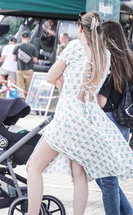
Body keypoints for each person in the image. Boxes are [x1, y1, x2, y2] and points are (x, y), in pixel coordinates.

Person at [26, 11, 133, 215]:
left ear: (80, 29)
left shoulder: (74, 47)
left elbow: (50, 77)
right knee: (79, 175)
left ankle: (31, 213)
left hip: (66, 118)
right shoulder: (106, 55)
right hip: (87, 121)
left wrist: (62, 84)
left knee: (34, 167)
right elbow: (90, 95)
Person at [96, 20, 133, 215]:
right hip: (124, 124)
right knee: (106, 176)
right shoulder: (130, 59)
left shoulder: (108, 60)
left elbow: (101, 101)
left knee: (107, 178)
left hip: (107, 121)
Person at [13, 31, 38, 98]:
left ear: (21, 37)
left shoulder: (17, 47)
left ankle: (22, 102)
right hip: (29, 70)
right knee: (31, 88)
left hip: (20, 70)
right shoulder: (32, 47)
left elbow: (14, 59)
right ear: (29, 38)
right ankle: (31, 102)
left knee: (20, 88)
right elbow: (35, 60)